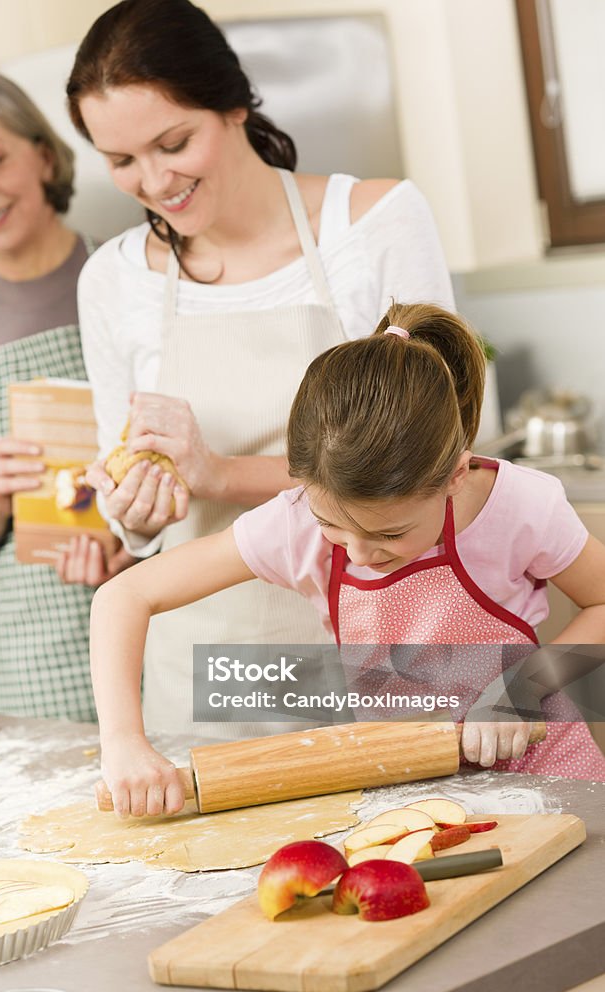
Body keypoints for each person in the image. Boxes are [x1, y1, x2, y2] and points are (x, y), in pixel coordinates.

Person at [64, 0, 491, 739]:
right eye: (121, 160)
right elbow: (124, 500)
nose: (153, 180)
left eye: (173, 142)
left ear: (232, 105)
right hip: (205, 672)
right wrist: (135, 512)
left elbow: (446, 465)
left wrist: (221, 475)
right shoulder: (112, 279)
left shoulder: (372, 223)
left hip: (378, 649)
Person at [89, 302, 605, 818]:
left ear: (455, 476)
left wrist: (522, 687)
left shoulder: (518, 506)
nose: (357, 553)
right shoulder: (293, 524)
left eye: (390, 533)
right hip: (414, 788)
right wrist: (122, 741)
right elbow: (124, 594)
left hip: (550, 780)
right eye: (331, 526)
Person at [0, 70, 135, 721]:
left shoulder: (134, 276)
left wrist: (134, 549)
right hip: (44, 669)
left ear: (43, 156)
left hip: (167, 626)